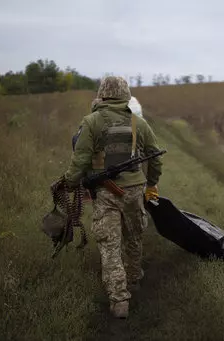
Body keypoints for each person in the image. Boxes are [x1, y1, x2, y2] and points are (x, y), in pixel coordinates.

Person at [63, 76, 163, 318]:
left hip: (106, 193)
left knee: (109, 245)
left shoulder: (91, 122)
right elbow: (155, 157)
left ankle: (119, 301)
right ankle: (133, 280)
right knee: (134, 238)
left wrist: (70, 183)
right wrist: (151, 183)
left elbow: (80, 159)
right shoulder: (139, 123)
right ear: (125, 95)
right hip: (135, 191)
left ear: (102, 95)